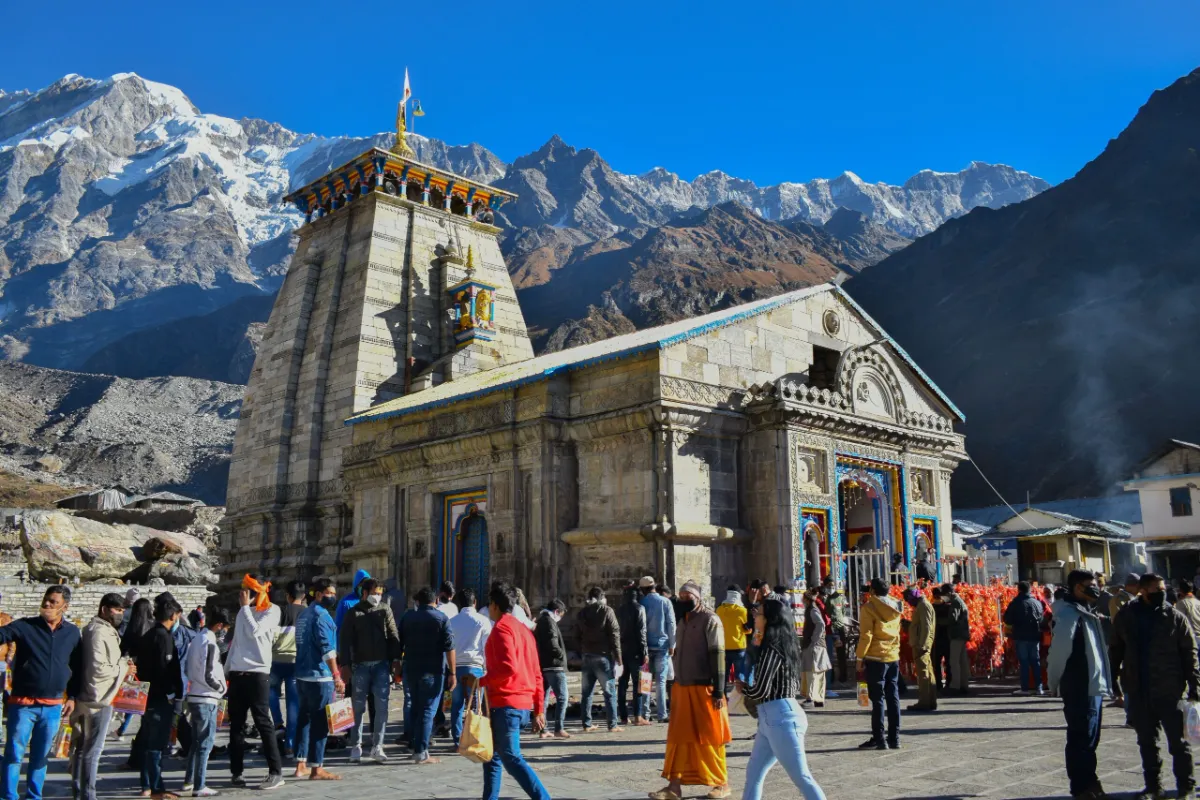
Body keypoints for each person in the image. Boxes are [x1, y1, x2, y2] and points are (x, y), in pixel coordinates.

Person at [1111, 573, 1200, 800]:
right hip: (1139, 689)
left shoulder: (1174, 617)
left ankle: (1186, 787)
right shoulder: (1126, 616)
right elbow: (1116, 650)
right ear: (1142, 590)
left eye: (1163, 588)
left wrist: (1194, 685)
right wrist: (1113, 681)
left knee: (1179, 744)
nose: (1162, 593)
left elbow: (1189, 653)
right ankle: (1153, 787)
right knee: (1146, 742)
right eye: (1156, 589)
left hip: (1170, 689)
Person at [462, 582, 549, 800]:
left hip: (506, 703)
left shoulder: (501, 629)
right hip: (521, 704)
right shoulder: (525, 631)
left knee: (511, 757)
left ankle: (543, 798)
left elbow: (507, 667)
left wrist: (480, 681)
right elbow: (537, 673)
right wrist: (539, 709)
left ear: (494, 605)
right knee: (492, 758)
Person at [736, 595, 827, 800]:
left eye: (758, 614)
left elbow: (762, 689)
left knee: (802, 777)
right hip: (771, 718)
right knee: (754, 775)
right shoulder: (780, 644)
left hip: (782, 718)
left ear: (769, 619)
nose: (755, 618)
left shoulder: (773, 649)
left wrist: (744, 690)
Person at [0, 585, 82, 800]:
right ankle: (8, 796)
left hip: (53, 707)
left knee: (40, 757)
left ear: (64, 606)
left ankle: (34, 796)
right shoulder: (26, 626)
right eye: (46, 600)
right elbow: (3, 633)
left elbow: (78, 666)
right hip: (23, 705)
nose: (47, 604)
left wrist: (72, 697)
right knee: (14, 754)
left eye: (53, 602)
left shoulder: (72, 633)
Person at [650, 581, 730, 800]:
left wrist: (719, 690)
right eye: (681, 596)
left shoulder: (710, 619)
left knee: (710, 737)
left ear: (698, 597)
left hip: (705, 687)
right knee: (679, 739)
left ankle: (722, 783)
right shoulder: (683, 620)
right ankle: (673, 786)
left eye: (688, 596)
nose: (683, 599)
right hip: (682, 687)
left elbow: (718, 655)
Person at [1048, 570, 1112, 800]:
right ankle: (1080, 786)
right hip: (1078, 685)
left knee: (1091, 737)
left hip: (1093, 685)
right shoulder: (1069, 615)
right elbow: (1059, 652)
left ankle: (1090, 780)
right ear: (1077, 588)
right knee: (1080, 737)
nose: (1095, 589)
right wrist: (1053, 680)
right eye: (1090, 585)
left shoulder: (1087, 611)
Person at [227, 574, 285, 790]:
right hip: (238, 673)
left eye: (249, 591)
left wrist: (245, 608)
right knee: (236, 725)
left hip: (258, 673)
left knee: (263, 723)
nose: (244, 595)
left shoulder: (272, 610)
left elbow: (255, 631)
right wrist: (227, 670)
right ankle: (236, 771)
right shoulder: (243, 612)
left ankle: (276, 771)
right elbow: (237, 642)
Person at [70, 593, 129, 800]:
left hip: (93, 695)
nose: (120, 614)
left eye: (122, 610)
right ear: (104, 609)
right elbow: (99, 669)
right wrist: (123, 667)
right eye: (116, 610)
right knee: (92, 751)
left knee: (82, 749)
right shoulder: (98, 633)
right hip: (98, 697)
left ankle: (80, 791)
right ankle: (88, 794)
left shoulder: (100, 630)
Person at [339, 577, 400, 763]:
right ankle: (356, 744)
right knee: (357, 707)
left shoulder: (385, 610)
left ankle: (377, 745)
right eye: (374, 593)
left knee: (382, 707)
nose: (377, 596)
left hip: (381, 666)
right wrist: (345, 665)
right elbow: (345, 640)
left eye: (380, 593)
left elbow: (393, 634)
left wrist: (396, 660)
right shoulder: (353, 613)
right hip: (360, 666)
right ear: (364, 593)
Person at [293, 578, 344, 781]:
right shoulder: (321, 616)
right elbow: (327, 649)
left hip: (302, 675)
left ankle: (300, 764)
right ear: (319, 594)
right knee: (320, 722)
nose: (333, 596)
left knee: (303, 720)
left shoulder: (304, 614)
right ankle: (317, 768)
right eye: (329, 593)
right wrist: (337, 675)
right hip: (319, 676)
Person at [397, 587, 455, 763]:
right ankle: (421, 751)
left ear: (418, 601)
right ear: (435, 600)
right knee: (428, 710)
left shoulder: (407, 617)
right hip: (433, 671)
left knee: (415, 707)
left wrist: (397, 667)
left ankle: (414, 745)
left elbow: (399, 644)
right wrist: (453, 672)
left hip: (411, 669)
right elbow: (449, 648)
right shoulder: (441, 618)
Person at [137, 596, 183, 799]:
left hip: (146, 696)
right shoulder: (164, 637)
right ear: (173, 616)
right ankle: (156, 787)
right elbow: (165, 669)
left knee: (148, 743)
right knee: (156, 745)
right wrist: (173, 694)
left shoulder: (148, 635)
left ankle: (146, 784)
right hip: (160, 698)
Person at [183, 608, 230, 797]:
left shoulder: (196, 639)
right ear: (219, 626)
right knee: (205, 743)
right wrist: (220, 688)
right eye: (224, 628)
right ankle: (199, 785)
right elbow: (208, 672)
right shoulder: (209, 642)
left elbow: (189, 668)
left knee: (196, 742)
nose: (224, 632)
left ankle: (189, 780)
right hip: (206, 696)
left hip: (195, 693)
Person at [855, 577, 902, 750]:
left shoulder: (869, 608)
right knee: (893, 696)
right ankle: (894, 738)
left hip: (876, 657)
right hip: (892, 655)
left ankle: (879, 738)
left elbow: (866, 635)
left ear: (873, 591)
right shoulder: (896, 605)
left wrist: (860, 658)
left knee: (878, 699)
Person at [448, 588, 492, 746]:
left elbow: (448, 647)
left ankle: (458, 741)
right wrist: (487, 670)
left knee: (457, 706)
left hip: (456, 668)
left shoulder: (452, 621)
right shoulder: (482, 621)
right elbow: (487, 648)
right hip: (475, 668)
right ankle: (473, 739)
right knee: (476, 706)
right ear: (475, 602)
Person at [577, 586, 623, 733]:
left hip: (586, 655)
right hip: (603, 656)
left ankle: (586, 724)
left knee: (586, 692)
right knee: (609, 692)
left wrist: (582, 650)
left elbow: (575, 635)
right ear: (602, 597)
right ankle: (612, 724)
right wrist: (618, 657)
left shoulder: (582, 613)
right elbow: (614, 634)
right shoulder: (607, 611)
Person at [269, 580, 304, 760]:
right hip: (295, 661)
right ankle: (290, 744)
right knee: (293, 702)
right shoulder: (306, 614)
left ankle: (277, 723)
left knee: (271, 691)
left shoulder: (280, 612)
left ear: (287, 597)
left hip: (275, 660)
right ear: (303, 596)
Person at [640, 576, 676, 723]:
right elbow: (671, 624)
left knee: (646, 680)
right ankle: (662, 714)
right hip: (662, 646)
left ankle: (645, 714)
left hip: (646, 648)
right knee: (661, 682)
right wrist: (673, 644)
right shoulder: (665, 602)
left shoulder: (641, 603)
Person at [534, 600, 569, 739]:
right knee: (562, 697)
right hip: (554, 665)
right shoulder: (549, 622)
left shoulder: (541, 621)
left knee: (544, 698)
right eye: (560, 614)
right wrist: (561, 656)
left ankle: (544, 730)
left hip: (543, 664)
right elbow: (553, 643)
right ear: (556, 611)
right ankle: (559, 728)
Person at [1004, 581, 1046, 696]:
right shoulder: (1037, 603)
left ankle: (1025, 688)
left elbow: (1007, 619)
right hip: (1035, 635)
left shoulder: (1016, 603)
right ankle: (1039, 687)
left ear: (1019, 590)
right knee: (1035, 661)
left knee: (1024, 662)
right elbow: (1042, 619)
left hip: (1021, 635)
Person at [617, 583, 650, 726]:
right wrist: (645, 652)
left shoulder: (619, 610)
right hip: (636, 651)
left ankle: (623, 717)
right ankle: (638, 716)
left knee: (622, 684)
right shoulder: (639, 608)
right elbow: (641, 632)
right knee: (639, 684)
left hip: (622, 651)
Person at [1108, 572, 1140, 713]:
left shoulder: (1138, 598)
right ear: (1131, 586)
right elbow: (1118, 620)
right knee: (1115, 669)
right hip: (1120, 640)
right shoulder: (1118, 599)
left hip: (1133, 640)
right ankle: (1119, 696)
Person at [903, 587, 936, 712]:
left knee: (923, 673)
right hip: (921, 643)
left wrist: (923, 644)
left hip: (921, 645)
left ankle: (924, 701)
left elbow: (927, 627)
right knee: (927, 672)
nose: (908, 603)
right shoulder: (922, 605)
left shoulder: (923, 605)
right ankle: (930, 700)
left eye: (908, 599)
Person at [800, 587, 831, 709]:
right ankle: (818, 698)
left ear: (806, 599)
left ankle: (811, 698)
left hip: (814, 646)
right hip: (817, 645)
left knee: (812, 672)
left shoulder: (812, 610)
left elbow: (820, 624)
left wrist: (814, 639)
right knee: (817, 672)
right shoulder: (812, 609)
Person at [715, 586, 748, 693]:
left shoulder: (719, 610)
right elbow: (748, 630)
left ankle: (722, 696)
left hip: (724, 646)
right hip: (739, 647)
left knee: (723, 675)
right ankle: (739, 697)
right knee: (740, 675)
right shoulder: (742, 611)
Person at [943, 583, 971, 695]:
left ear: (949, 593)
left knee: (954, 661)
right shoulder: (960, 601)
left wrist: (941, 621)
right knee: (962, 661)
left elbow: (952, 619)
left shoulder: (955, 603)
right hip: (962, 634)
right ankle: (964, 684)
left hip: (956, 634)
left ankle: (955, 686)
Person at [820, 577, 849, 684]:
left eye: (832, 586)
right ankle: (830, 678)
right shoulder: (824, 598)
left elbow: (843, 612)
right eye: (829, 586)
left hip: (839, 628)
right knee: (829, 655)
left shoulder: (839, 597)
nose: (831, 588)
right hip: (829, 629)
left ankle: (843, 677)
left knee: (841, 654)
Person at [930, 587, 952, 691]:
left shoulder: (931, 607)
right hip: (946, 638)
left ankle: (938, 683)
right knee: (948, 662)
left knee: (936, 663)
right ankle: (948, 682)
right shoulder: (947, 607)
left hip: (936, 639)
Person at [1175, 579, 1200, 657]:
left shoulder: (1181, 603)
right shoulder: (1198, 602)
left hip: (1191, 638)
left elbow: (1178, 622)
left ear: (1180, 590)